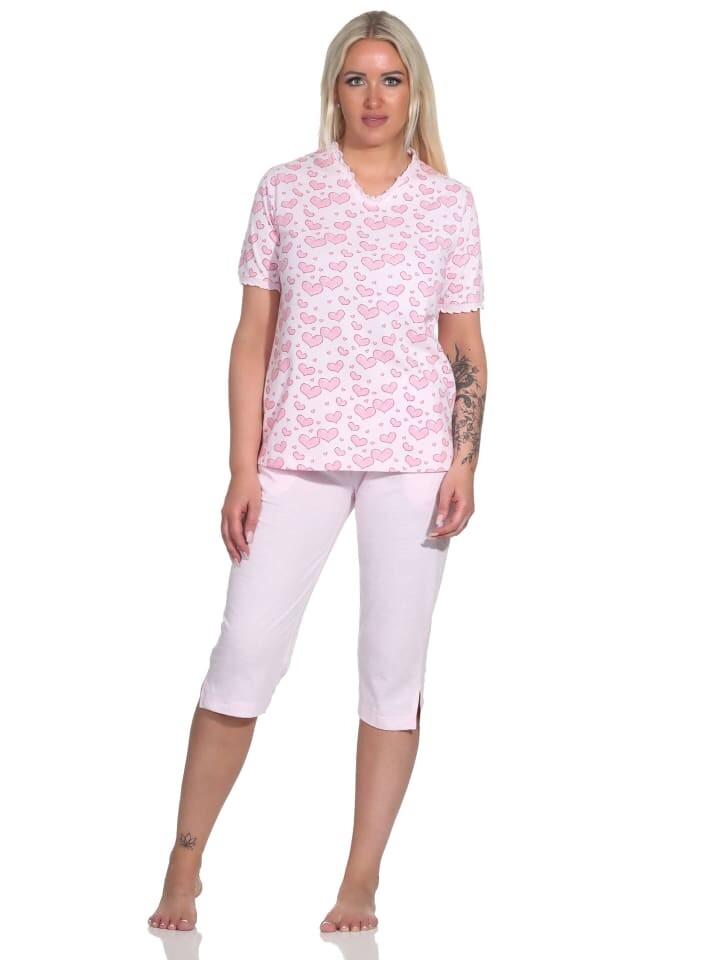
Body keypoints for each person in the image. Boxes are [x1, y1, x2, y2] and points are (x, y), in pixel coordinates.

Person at [148, 9, 487, 935]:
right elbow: (252, 335)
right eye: (356, 77)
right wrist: (242, 466)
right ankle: (185, 863)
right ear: (334, 89)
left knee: (392, 671)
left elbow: (465, 346)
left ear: (414, 92)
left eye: (390, 79)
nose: (374, 96)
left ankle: (361, 880)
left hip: (412, 458)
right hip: (295, 451)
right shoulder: (286, 190)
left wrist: (464, 460)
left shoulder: (448, 204)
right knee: (243, 656)